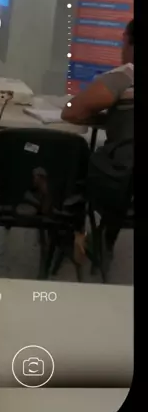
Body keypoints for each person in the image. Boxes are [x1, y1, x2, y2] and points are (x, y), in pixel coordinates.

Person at [61, 19, 134, 263]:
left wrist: (107, 117)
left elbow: (70, 112)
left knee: (77, 156)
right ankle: (103, 240)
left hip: (119, 183)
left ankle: (71, 235)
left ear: (128, 42)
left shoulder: (125, 76)